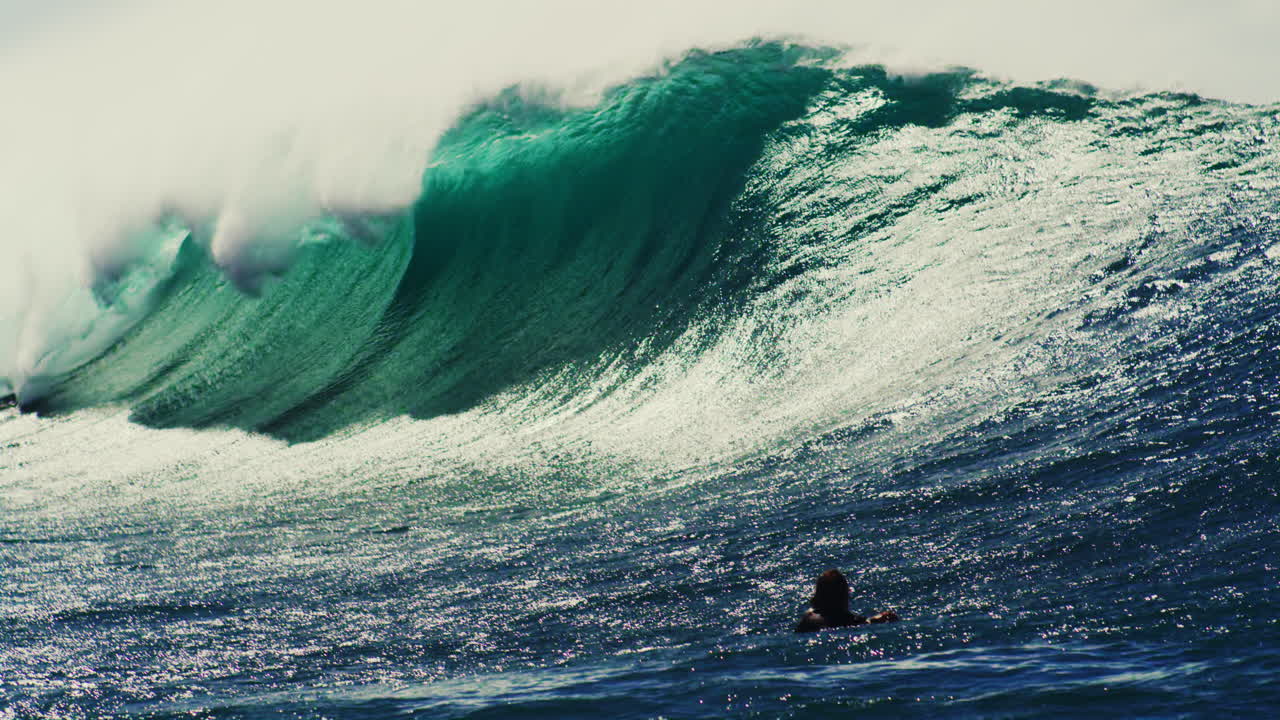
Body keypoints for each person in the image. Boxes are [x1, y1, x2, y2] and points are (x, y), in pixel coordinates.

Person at [794, 569, 899, 633]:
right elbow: (854, 623)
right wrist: (875, 620)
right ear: (842, 595)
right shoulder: (840, 618)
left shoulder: (808, 617)